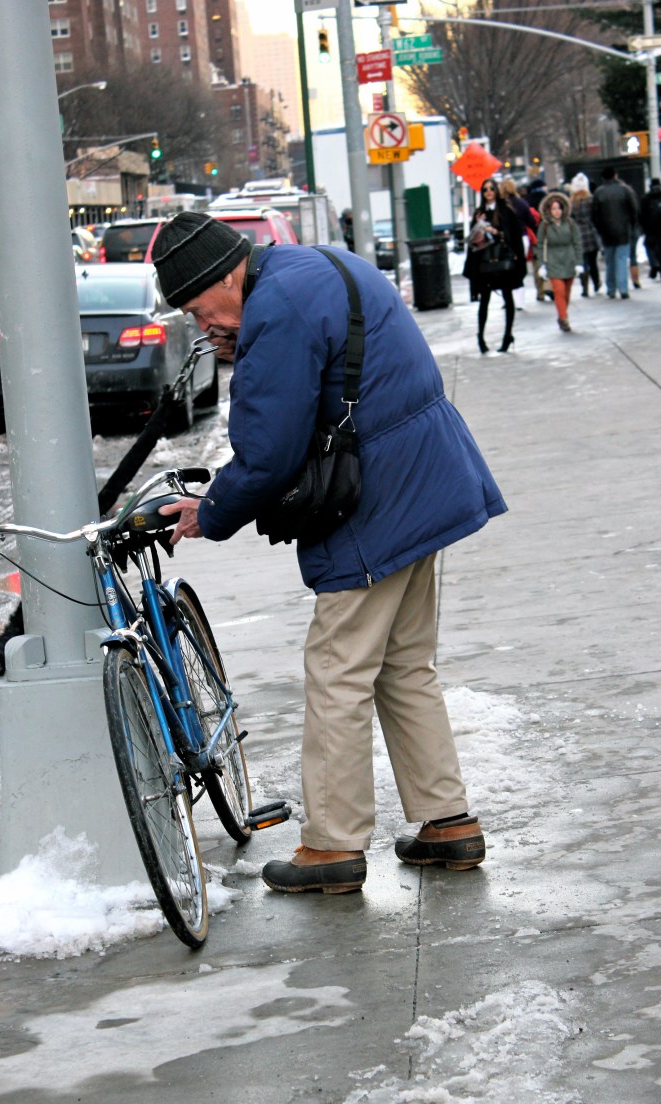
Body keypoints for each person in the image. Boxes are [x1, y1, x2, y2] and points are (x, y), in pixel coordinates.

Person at [151, 212, 507, 894]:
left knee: (337, 671)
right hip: (422, 479)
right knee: (404, 664)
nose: (207, 327)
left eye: (203, 310)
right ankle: (447, 820)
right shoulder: (315, 266)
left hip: (375, 503)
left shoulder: (275, 310)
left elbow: (268, 449)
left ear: (228, 274)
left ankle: (332, 846)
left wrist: (213, 512)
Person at [463, 177, 526, 354]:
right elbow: (473, 243)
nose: (488, 192)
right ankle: (480, 337)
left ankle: (508, 335)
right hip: (484, 265)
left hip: (503, 264)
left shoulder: (506, 211)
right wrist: (478, 226)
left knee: (508, 298)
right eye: (485, 190)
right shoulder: (479, 213)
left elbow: (513, 236)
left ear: (496, 191)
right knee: (484, 301)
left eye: (491, 189)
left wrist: (495, 231)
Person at [537, 192, 583, 332]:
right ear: (549, 211)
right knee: (559, 291)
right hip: (553, 261)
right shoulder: (544, 225)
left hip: (569, 260)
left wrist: (579, 262)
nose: (556, 211)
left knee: (567, 293)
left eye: (559, 208)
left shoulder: (570, 223)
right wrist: (541, 265)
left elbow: (577, 242)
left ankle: (562, 314)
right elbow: (539, 245)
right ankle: (564, 318)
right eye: (553, 209)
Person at [591, 166, 638, 299]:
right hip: (623, 230)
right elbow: (633, 210)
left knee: (610, 261)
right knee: (622, 259)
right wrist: (631, 226)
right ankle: (623, 288)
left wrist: (600, 229)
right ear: (615, 175)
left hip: (606, 232)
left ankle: (611, 288)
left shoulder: (599, 192)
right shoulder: (625, 190)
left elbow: (594, 216)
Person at [499, 178, 537, 310]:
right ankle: (520, 301)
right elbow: (531, 222)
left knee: (506, 269)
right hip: (522, 238)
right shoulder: (521, 203)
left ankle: (508, 298)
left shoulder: (500, 206)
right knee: (519, 268)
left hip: (505, 240)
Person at [569, 173, 601, 297]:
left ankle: (585, 287)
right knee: (593, 260)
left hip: (578, 233)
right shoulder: (590, 199)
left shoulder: (571, 202)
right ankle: (596, 282)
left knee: (582, 261)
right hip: (590, 232)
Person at [640, 177, 661, 279]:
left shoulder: (646, 198)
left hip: (650, 229)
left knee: (649, 247)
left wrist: (643, 228)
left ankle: (654, 264)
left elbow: (641, 215)